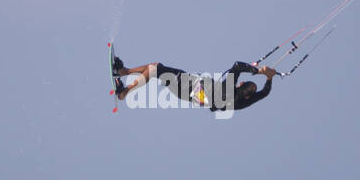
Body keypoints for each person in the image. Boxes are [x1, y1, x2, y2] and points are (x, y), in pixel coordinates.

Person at [114, 55, 276, 112]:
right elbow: (263, 94)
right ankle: (124, 72)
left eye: (241, 83)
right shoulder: (240, 103)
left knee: (155, 69)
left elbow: (238, 66)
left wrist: (261, 72)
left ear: (240, 86)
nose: (239, 82)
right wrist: (269, 78)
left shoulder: (229, 91)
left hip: (189, 87)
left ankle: (124, 92)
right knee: (156, 67)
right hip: (190, 91)